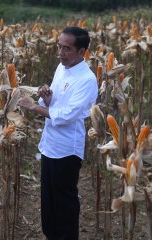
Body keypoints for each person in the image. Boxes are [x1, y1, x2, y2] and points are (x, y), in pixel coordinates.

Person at [18, 27, 98, 240]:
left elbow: (68, 115)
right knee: (49, 203)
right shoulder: (61, 68)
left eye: (67, 49)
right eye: (59, 47)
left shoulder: (88, 79)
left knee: (64, 204)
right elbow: (55, 104)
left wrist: (35, 107)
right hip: (49, 145)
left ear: (82, 52)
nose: (61, 53)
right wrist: (45, 97)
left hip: (67, 150)